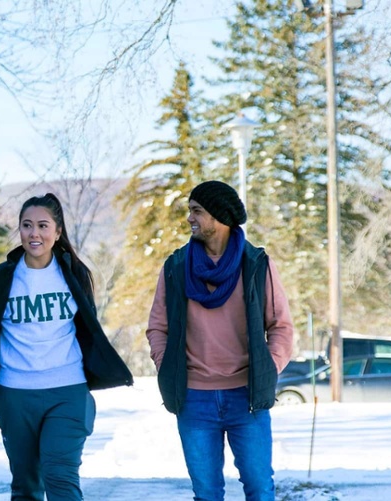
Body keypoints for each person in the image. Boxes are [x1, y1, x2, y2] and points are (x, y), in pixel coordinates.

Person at [0, 193, 133, 501]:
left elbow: (87, 328)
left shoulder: (75, 274)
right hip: (14, 393)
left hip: (67, 390)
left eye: (43, 226)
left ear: (57, 232)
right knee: (26, 486)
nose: (34, 233)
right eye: (27, 225)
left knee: (61, 477)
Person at [145, 180, 294, 501]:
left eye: (197, 211)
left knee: (260, 489)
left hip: (247, 397)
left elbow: (281, 326)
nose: (189, 219)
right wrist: (166, 366)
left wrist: (268, 369)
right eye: (189, 211)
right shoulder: (176, 266)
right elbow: (158, 326)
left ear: (220, 217)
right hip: (194, 399)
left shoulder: (256, 265)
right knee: (207, 493)